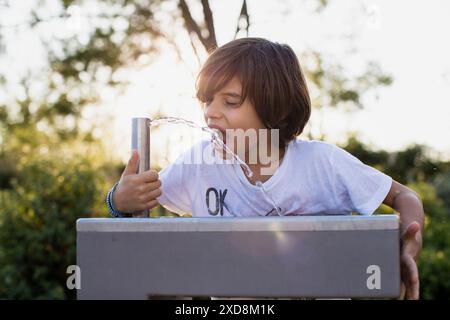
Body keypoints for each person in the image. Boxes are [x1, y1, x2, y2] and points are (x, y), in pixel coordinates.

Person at [106, 38, 424, 300]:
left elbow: (404, 196)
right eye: (207, 100)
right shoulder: (200, 163)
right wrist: (118, 201)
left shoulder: (322, 164)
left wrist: (410, 244)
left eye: (231, 102)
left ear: (277, 110)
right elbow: (138, 205)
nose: (211, 113)